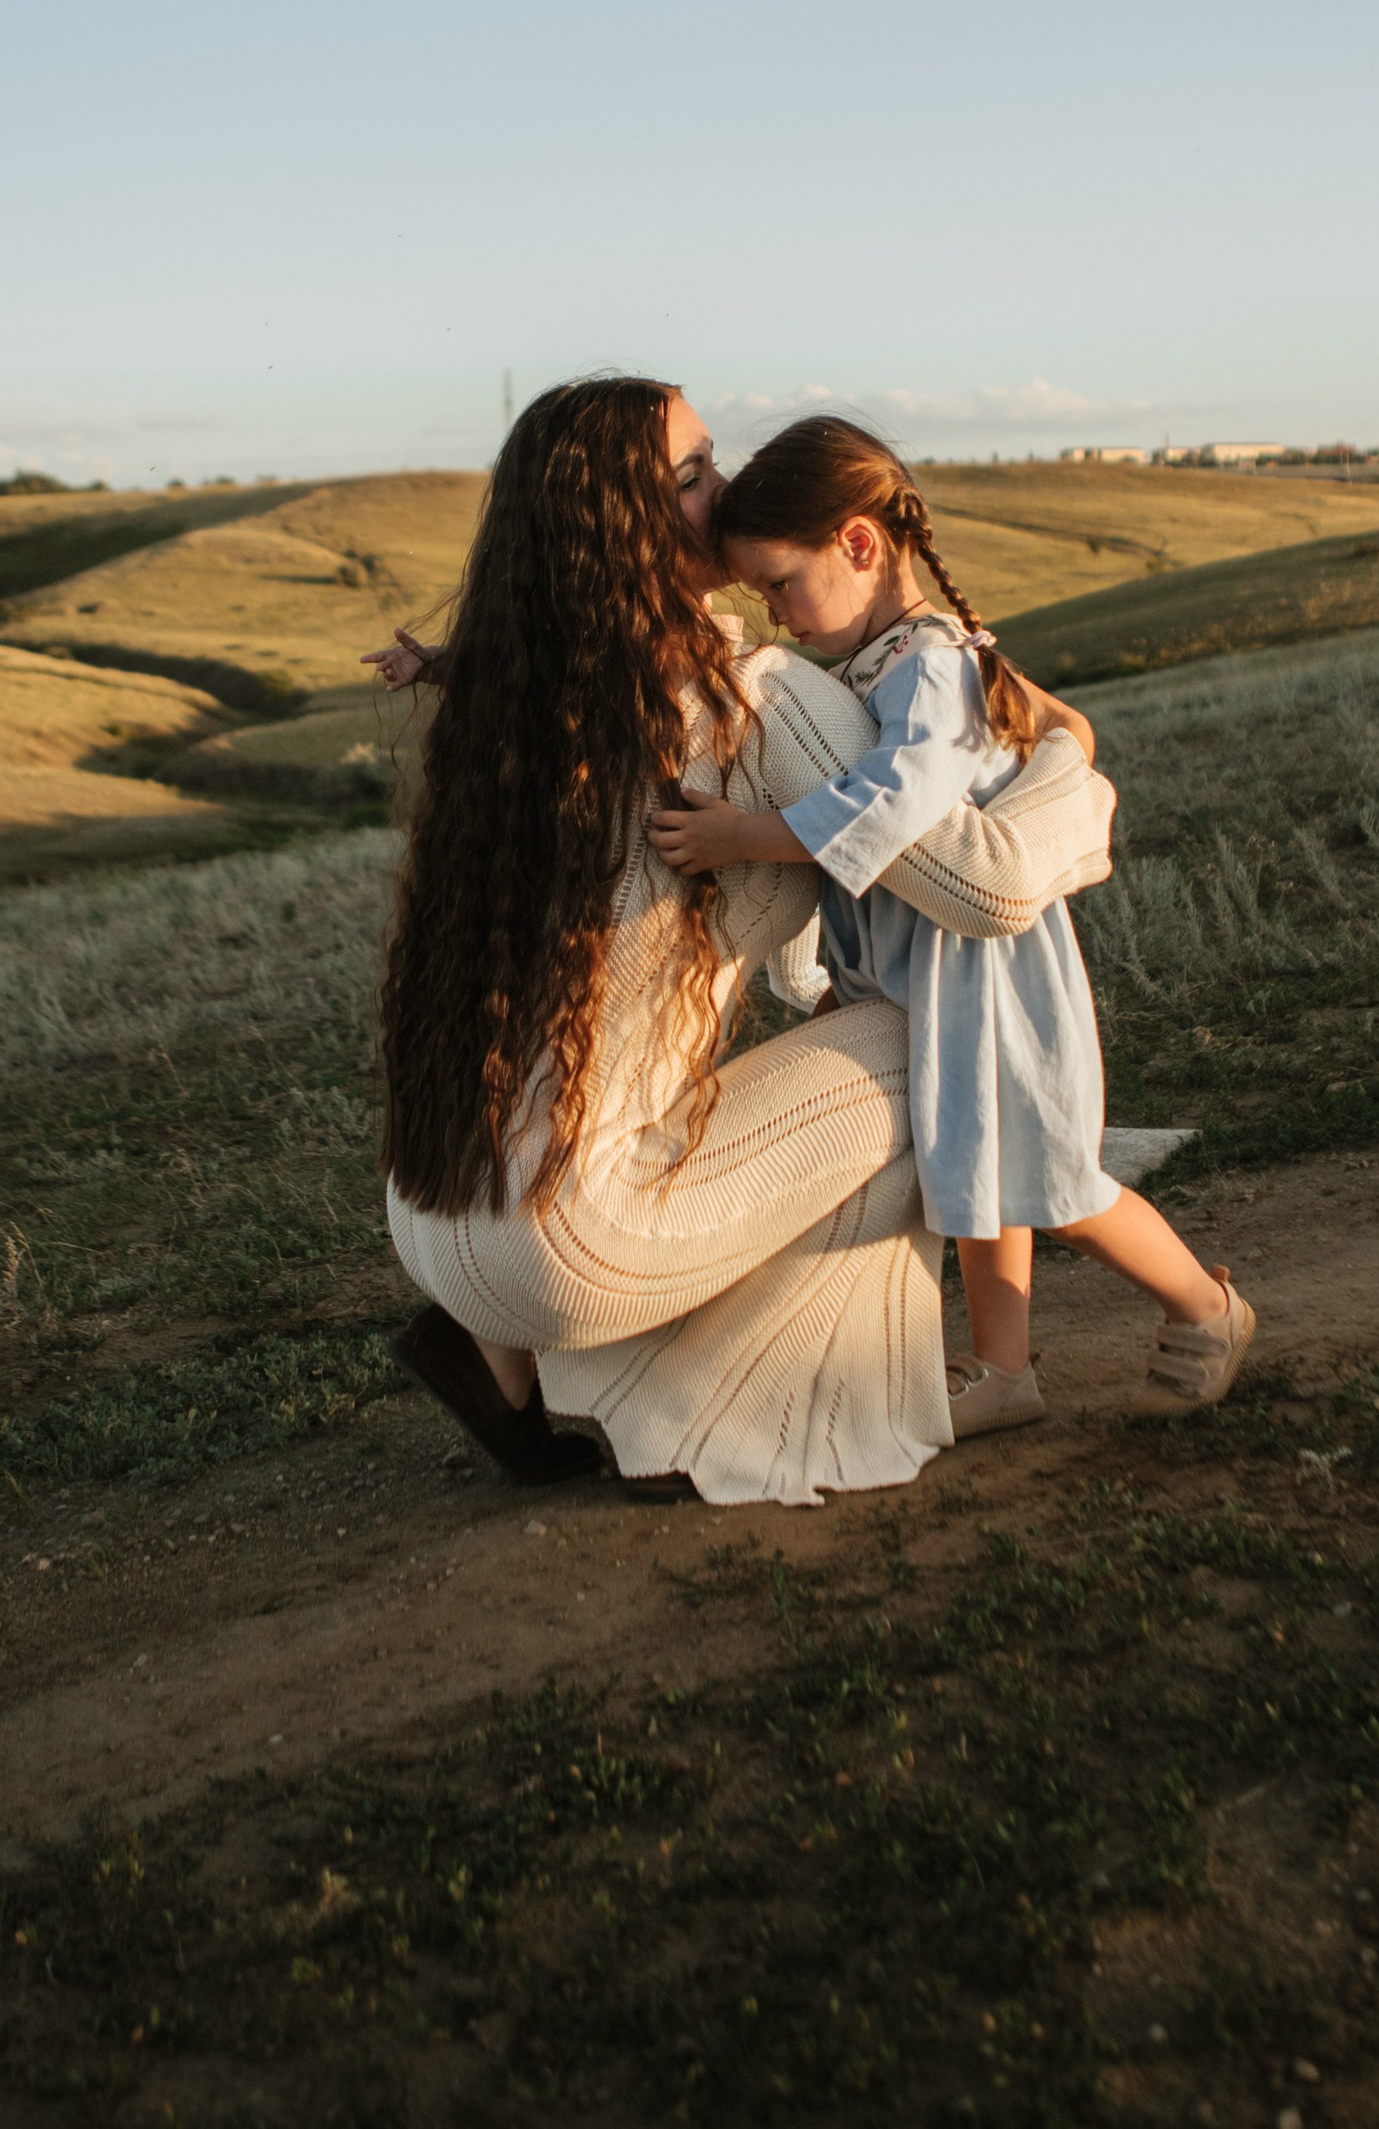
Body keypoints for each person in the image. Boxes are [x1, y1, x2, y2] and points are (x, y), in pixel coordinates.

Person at [371, 377, 1121, 1505]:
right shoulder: (757, 703)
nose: (725, 493)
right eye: (691, 478)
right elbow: (993, 889)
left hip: (436, 1213)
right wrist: (1073, 757)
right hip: (573, 1246)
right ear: (622, 530)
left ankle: (507, 1366)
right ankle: (692, 1404)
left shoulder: (528, 700)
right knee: (933, 1034)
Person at [648, 416, 1254, 1435]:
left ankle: (1206, 1308)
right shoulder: (873, 657)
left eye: (782, 585)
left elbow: (894, 805)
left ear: (858, 544)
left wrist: (742, 837)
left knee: (1055, 1183)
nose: (779, 616)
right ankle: (1003, 1371)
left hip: (987, 973)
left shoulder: (928, 668)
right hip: (927, 968)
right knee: (973, 1170)